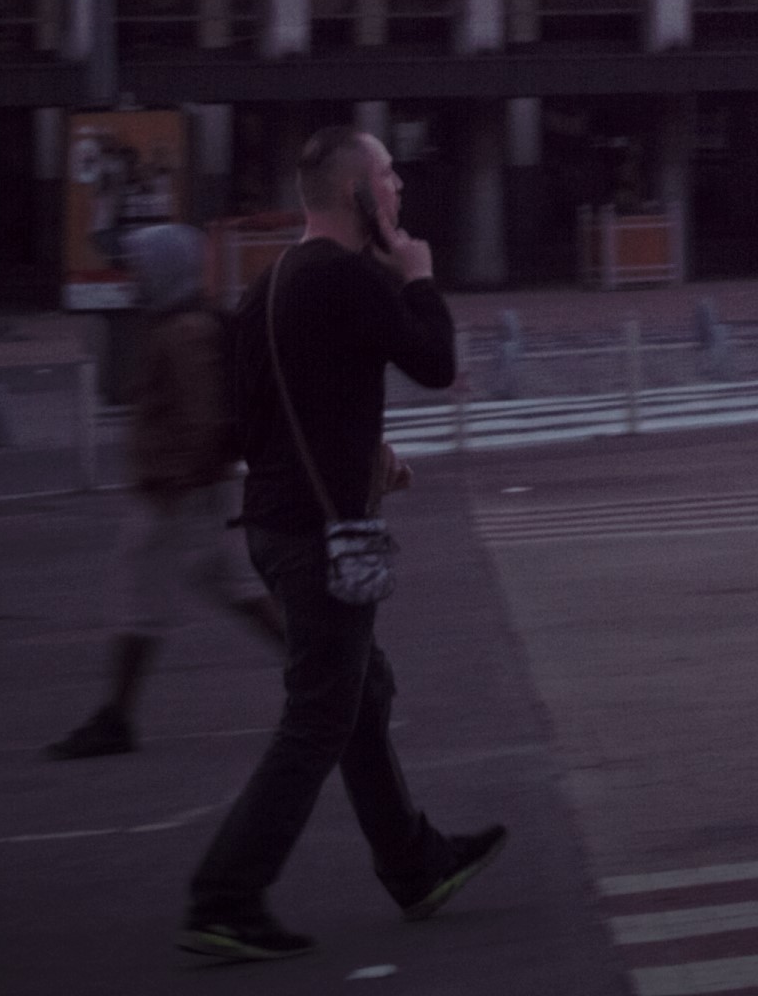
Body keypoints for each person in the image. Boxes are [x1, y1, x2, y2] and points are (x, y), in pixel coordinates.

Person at [179, 128, 505, 965]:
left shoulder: (272, 283)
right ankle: (225, 898)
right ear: (358, 194)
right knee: (320, 716)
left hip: (274, 525)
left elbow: (262, 419)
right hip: (319, 540)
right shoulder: (348, 277)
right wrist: (419, 275)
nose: (400, 188)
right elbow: (434, 361)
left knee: (361, 691)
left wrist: (361, 455)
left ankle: (415, 863)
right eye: (389, 176)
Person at [45, 223, 281, 760]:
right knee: (236, 592)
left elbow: (204, 418)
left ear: (164, 271)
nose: (133, 279)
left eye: (141, 269)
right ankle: (328, 673)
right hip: (187, 492)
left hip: (175, 496)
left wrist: (183, 482)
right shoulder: (180, 325)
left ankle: (116, 718)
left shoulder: (184, 333)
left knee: (141, 603)